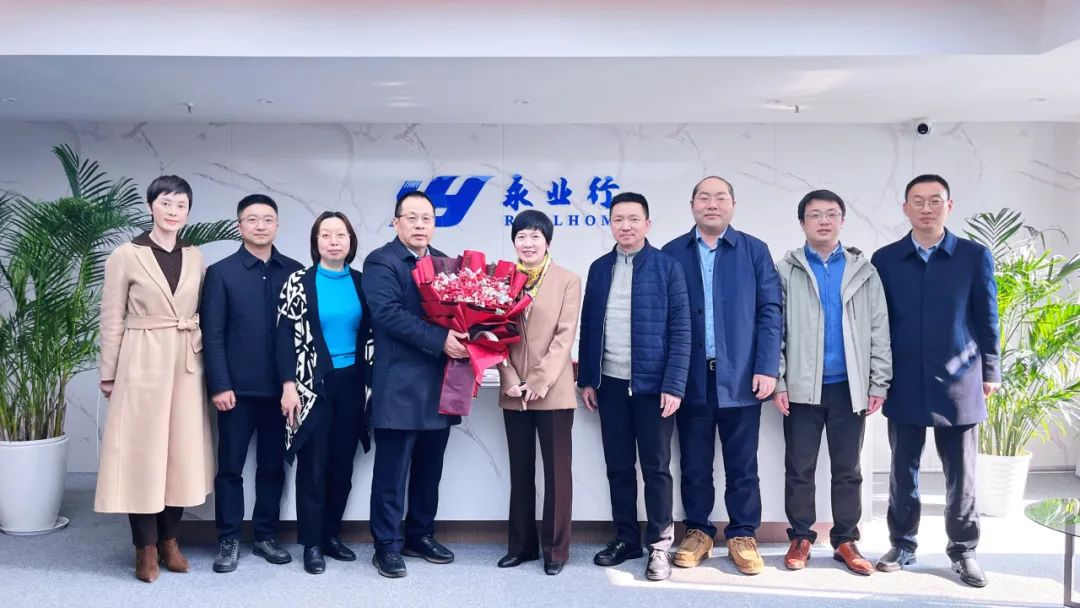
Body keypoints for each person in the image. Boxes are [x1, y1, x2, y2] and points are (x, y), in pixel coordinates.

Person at [871, 174, 1000, 588]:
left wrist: (991, 370)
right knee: (901, 470)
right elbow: (878, 324)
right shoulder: (886, 259)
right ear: (905, 208)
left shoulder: (973, 256)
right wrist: (877, 376)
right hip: (904, 378)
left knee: (962, 474)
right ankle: (902, 544)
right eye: (918, 201)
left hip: (960, 381)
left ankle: (963, 550)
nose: (926, 208)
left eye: (935, 200)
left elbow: (987, 316)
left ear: (949, 205)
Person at [660, 176, 782, 575]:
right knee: (694, 462)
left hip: (743, 376)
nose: (712, 204)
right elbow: (663, 319)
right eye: (704, 197)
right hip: (690, 377)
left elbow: (770, 311)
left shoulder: (754, 250)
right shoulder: (672, 252)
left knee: (742, 464)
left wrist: (767, 366)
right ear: (692, 204)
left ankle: (743, 534)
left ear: (732, 204)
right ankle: (698, 531)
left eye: (720, 198)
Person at [96, 175, 214, 583]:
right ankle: (144, 548)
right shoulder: (126, 255)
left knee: (181, 453)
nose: (173, 211)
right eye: (166, 202)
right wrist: (109, 373)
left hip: (187, 363)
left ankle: (170, 541)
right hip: (141, 361)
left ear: (188, 212)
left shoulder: (196, 256)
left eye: (181, 205)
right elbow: (111, 317)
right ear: (151, 206)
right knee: (141, 454)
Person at [772, 189, 892, 576]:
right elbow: (774, 329)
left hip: (849, 386)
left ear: (842, 220)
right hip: (801, 386)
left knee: (848, 469)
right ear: (802, 223)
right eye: (815, 214)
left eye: (831, 214)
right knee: (799, 468)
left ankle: (845, 540)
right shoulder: (785, 270)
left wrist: (878, 382)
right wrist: (779, 381)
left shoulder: (864, 271)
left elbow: (879, 328)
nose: (823, 221)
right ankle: (801, 537)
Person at [578, 192, 691, 582]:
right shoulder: (599, 268)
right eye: (618, 219)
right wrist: (587, 378)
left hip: (653, 388)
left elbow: (682, 331)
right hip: (609, 384)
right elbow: (589, 326)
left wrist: (674, 384)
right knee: (618, 467)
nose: (625, 226)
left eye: (633, 219)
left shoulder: (667, 267)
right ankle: (626, 539)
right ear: (610, 224)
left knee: (657, 468)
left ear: (647, 224)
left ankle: (659, 544)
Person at [363, 191, 468, 578]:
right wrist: (442, 341)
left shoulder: (445, 263)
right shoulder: (381, 261)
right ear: (396, 223)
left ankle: (420, 535)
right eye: (412, 217)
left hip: (440, 384)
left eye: (427, 218)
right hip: (398, 386)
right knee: (392, 473)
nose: (420, 225)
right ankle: (386, 545)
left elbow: (460, 315)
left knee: (429, 469)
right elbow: (388, 315)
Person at [201, 194, 302, 573]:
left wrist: (294, 385)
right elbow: (213, 334)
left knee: (273, 468)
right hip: (236, 393)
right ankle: (228, 538)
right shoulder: (221, 273)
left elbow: (300, 335)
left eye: (267, 219)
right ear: (239, 226)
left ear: (277, 225)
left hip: (282, 392)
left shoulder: (294, 272)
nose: (261, 226)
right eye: (252, 219)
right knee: (230, 468)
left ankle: (265, 536)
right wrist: (219, 385)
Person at [276, 211, 373, 575]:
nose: (334, 241)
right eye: (326, 235)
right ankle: (312, 544)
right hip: (310, 386)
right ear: (315, 242)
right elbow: (284, 338)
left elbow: (372, 335)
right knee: (313, 467)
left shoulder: (362, 283)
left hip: (353, 384)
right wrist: (288, 386)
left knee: (342, 467)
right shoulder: (298, 282)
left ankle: (331, 535)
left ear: (351, 241)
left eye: (340, 235)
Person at [496, 210, 581, 576]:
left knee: (557, 474)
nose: (528, 243)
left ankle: (556, 550)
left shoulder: (567, 280)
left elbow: (565, 337)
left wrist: (538, 381)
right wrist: (509, 376)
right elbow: (492, 335)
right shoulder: (500, 280)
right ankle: (521, 547)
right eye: (521, 237)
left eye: (535, 236)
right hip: (513, 390)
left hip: (553, 391)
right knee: (520, 470)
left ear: (547, 241)